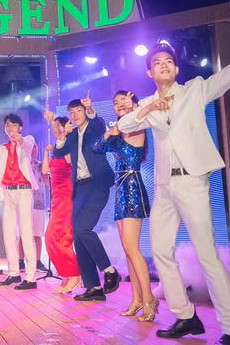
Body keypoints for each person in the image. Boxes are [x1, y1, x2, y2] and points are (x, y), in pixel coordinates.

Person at [118, 29, 230, 345]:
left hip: (192, 180)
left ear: (176, 69)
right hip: (164, 184)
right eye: (157, 62)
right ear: (149, 73)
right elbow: (124, 125)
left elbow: (226, 77)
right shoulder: (147, 103)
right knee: (160, 251)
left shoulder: (194, 89)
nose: (163, 65)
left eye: (168, 61)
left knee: (207, 255)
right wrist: (148, 108)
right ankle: (185, 316)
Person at [93, 90, 156, 321]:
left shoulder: (136, 125)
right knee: (127, 251)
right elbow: (97, 147)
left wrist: (134, 109)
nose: (119, 104)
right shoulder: (119, 130)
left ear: (134, 104)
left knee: (132, 248)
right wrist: (109, 131)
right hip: (120, 190)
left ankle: (149, 300)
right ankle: (136, 300)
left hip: (131, 187)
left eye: (124, 101)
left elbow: (134, 118)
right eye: (116, 102)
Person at [53, 92, 121, 301]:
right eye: (72, 112)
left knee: (83, 228)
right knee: (78, 234)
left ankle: (109, 270)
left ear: (85, 112)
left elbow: (99, 123)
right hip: (80, 188)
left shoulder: (94, 128)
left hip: (97, 184)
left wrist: (91, 109)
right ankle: (93, 287)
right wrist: (62, 135)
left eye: (79, 111)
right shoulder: (72, 135)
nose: (75, 115)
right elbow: (57, 153)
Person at [0, 113, 38, 290]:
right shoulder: (2, 148)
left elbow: (27, 145)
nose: (10, 128)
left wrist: (18, 139)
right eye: (7, 125)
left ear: (20, 127)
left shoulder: (27, 140)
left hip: (24, 191)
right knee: (8, 233)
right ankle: (13, 272)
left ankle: (31, 277)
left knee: (26, 233)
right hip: (8, 192)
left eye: (13, 125)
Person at [41, 114, 81, 294]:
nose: (54, 129)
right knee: (56, 239)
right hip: (56, 199)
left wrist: (65, 136)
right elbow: (45, 171)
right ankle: (66, 276)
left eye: (58, 126)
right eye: (54, 127)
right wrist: (46, 152)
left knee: (56, 237)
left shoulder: (68, 149)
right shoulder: (57, 150)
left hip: (66, 198)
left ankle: (75, 273)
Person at [18, 143, 48, 274]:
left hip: (39, 203)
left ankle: (37, 261)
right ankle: (20, 261)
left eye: (35, 151)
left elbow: (48, 182)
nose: (34, 153)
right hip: (24, 202)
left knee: (37, 233)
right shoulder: (21, 165)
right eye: (32, 151)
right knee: (23, 233)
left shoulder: (41, 166)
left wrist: (47, 177)